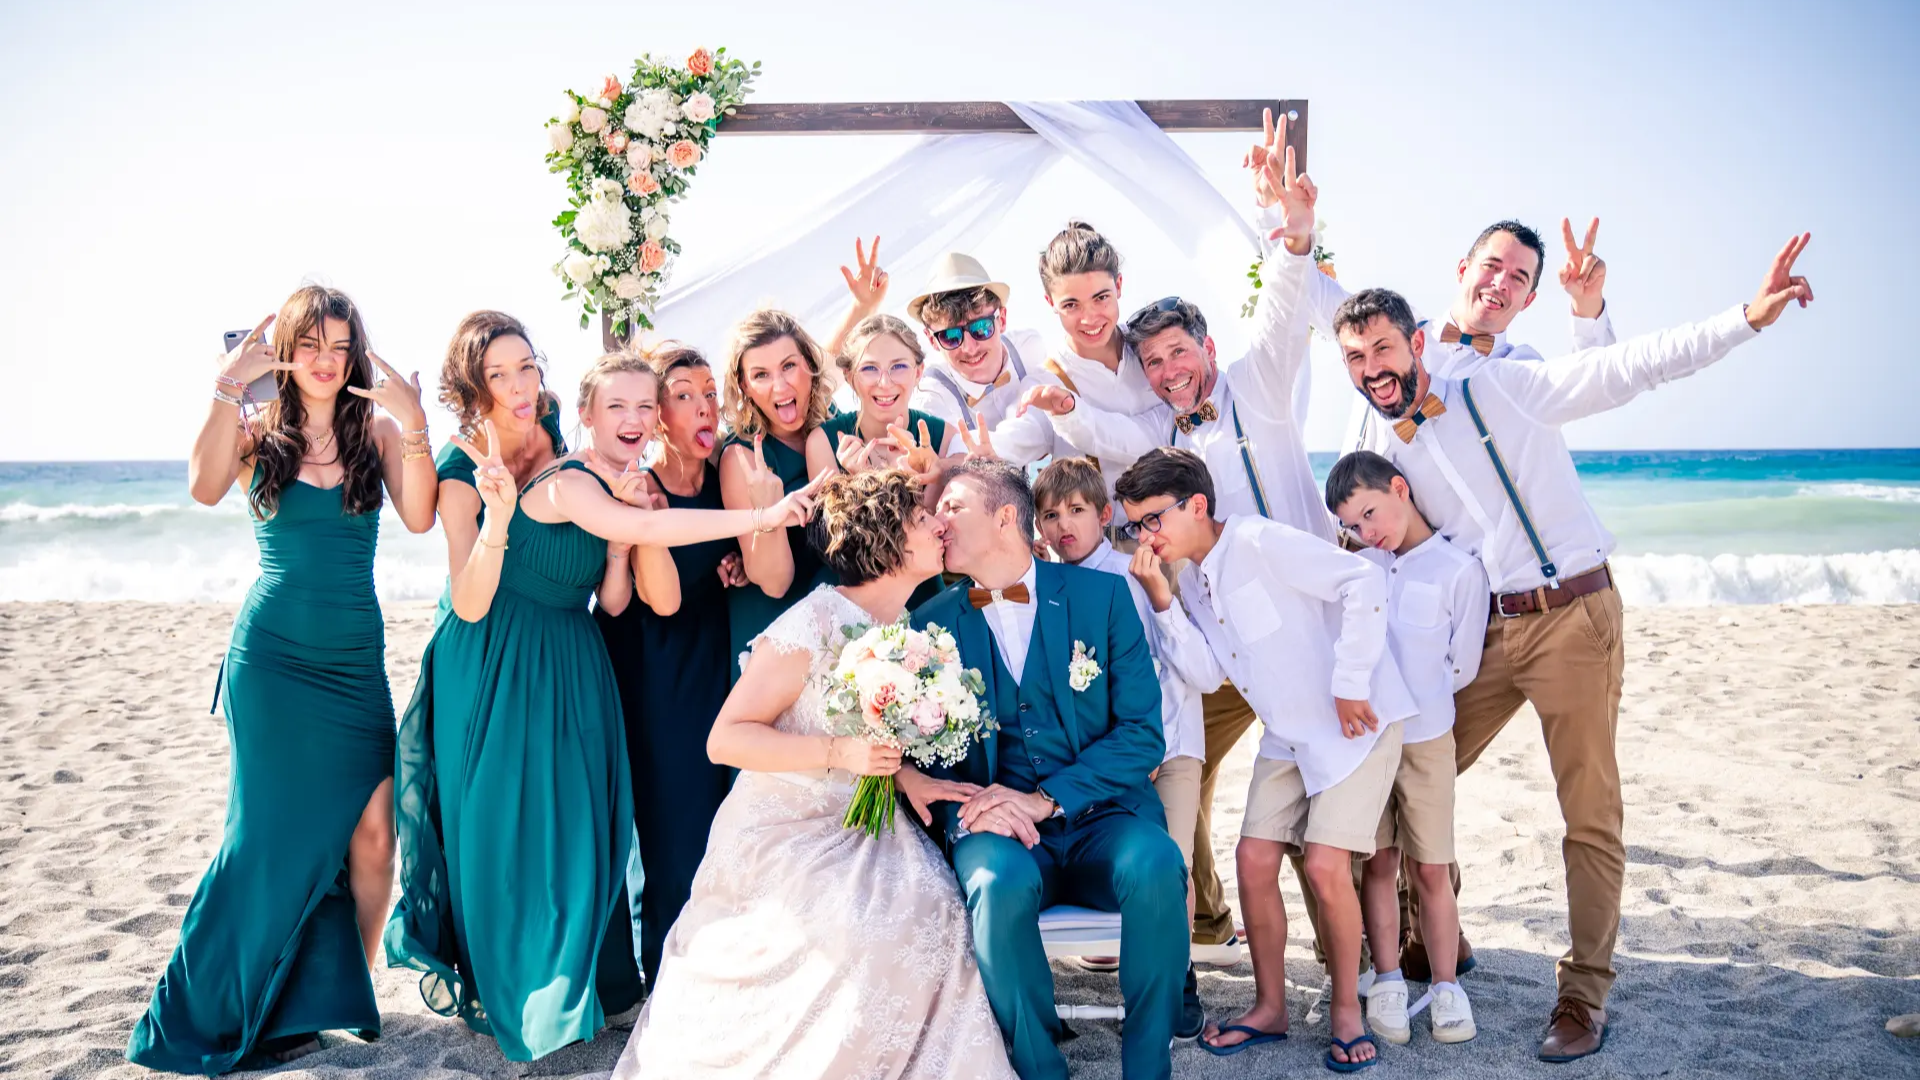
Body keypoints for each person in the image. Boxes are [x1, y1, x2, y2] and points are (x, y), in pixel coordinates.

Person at [1300, 228, 1813, 1060]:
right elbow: (1332, 310)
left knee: (1588, 813)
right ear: (1457, 274)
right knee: (1398, 775)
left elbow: (1620, 372)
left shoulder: (1504, 381)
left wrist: (1744, 320)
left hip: (1573, 612)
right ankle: (1434, 941)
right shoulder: (1374, 398)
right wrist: (1291, 236)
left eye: (1519, 275)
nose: (1501, 282)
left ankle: (1583, 997)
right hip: (1483, 629)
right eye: (1490, 266)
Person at [385, 352, 821, 1061]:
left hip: (575, 658)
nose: (634, 420)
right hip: (507, 651)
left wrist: (620, 547)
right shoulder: (570, 482)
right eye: (617, 407)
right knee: (521, 823)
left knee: (588, 829)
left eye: (645, 408)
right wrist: (761, 513)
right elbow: (652, 533)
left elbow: (616, 595)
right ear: (585, 414)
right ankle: (523, 982)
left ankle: (604, 983)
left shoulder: (608, 484)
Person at [1013, 143, 1332, 971]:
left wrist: (1291, 239)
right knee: (1171, 764)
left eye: (1177, 355)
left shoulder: (1253, 389)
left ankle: (1396, 945)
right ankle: (1196, 918)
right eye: (1153, 362)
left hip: (1300, 620)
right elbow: (1103, 443)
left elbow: (1282, 317)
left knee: (1326, 797)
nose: (1165, 370)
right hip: (1206, 628)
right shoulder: (1142, 410)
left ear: (1207, 348)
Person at [607, 469, 1015, 1080]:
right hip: (784, 828)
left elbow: (875, 729)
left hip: (860, 825)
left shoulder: (900, 628)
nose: (938, 525)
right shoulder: (812, 624)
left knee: (933, 905)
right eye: (921, 518)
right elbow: (725, 739)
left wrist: (906, 777)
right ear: (888, 542)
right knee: (849, 931)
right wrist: (840, 754)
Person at [130, 287, 436, 1072]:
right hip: (271, 663)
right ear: (285, 351)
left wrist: (418, 422)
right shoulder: (256, 428)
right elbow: (202, 486)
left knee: (374, 835)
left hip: (352, 664)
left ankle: (345, 996)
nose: (326, 361)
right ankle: (202, 1008)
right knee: (262, 841)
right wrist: (227, 385)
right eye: (311, 345)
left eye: (340, 346)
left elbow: (422, 517)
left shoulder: (378, 429)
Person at [1115, 447, 1415, 1070]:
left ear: (1196, 505)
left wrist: (1351, 679)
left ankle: (1344, 1012)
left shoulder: (1257, 540)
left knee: (1328, 865)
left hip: (1354, 721)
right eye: (1135, 525)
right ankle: (1270, 1007)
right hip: (1288, 733)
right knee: (1252, 859)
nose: (1144, 535)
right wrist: (1163, 602)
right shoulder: (1190, 578)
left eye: (1152, 520)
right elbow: (1204, 671)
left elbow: (1363, 580)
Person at [910, 458, 1187, 1080]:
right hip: (997, 824)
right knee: (992, 882)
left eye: (951, 507)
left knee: (1156, 863)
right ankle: (1039, 1067)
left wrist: (1046, 799)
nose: (937, 521)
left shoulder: (1104, 596)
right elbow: (924, 754)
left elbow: (1143, 736)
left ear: (1006, 516)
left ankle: (1148, 1066)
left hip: (1105, 817)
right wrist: (982, 807)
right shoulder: (930, 623)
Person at [1031, 455, 1211, 1040]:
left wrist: (1146, 747)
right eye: (1051, 514)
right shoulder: (1045, 584)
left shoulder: (1137, 572)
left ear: (1104, 515)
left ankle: (1179, 978)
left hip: (1169, 743)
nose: (1064, 526)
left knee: (1171, 863)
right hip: (1103, 759)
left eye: (1077, 511)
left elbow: (1172, 666)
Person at [590, 344, 746, 987]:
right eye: (684, 393)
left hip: (712, 657)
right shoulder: (640, 487)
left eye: (710, 391)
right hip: (649, 665)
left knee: (719, 817)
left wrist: (731, 566)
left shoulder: (725, 472)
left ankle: (720, 959)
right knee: (671, 825)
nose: (705, 404)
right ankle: (668, 973)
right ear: (657, 416)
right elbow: (655, 595)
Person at [1326, 450, 1489, 1046]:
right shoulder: (1359, 569)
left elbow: (1463, 665)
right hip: (1368, 746)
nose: (1369, 532)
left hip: (1425, 740)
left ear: (1400, 489)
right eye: (1355, 526)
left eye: (1371, 512)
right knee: (1379, 863)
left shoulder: (1457, 570)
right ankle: (1388, 977)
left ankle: (1446, 986)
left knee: (1431, 866)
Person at [430, 310, 572, 624]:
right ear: (472, 389)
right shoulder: (458, 476)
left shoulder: (549, 413)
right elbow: (468, 606)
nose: (520, 387)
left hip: (546, 614)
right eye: (497, 375)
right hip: (480, 631)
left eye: (526, 367)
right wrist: (497, 515)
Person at [719, 308, 838, 678]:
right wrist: (769, 513)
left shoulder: (836, 423)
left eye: (789, 366)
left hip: (842, 621)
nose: (780, 387)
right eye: (761, 375)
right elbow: (774, 583)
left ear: (810, 365)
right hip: (778, 634)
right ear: (743, 386)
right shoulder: (741, 457)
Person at [1034, 222, 1159, 529]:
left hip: (1184, 548)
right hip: (1103, 557)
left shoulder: (1153, 349)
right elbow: (1018, 438)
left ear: (1119, 285)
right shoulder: (1047, 379)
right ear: (1051, 303)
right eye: (1071, 305)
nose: (1090, 318)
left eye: (1101, 298)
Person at [905, 253, 1065, 466]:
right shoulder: (931, 396)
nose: (969, 348)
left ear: (1003, 319)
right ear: (932, 341)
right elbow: (959, 464)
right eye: (951, 336)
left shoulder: (1029, 348)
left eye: (981, 328)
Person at [809, 312, 954, 478]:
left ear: (918, 373)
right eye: (869, 368)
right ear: (850, 377)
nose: (885, 383)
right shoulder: (823, 443)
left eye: (899, 366)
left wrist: (917, 475)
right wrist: (859, 482)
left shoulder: (945, 438)